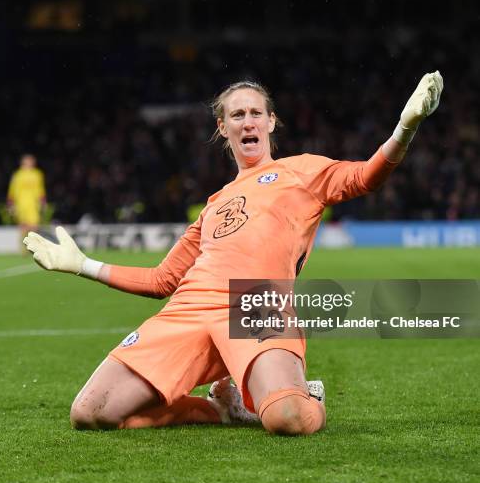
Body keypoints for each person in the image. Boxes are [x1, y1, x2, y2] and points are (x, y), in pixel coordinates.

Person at [24, 72, 443, 436]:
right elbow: (163, 281)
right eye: (237, 115)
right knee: (89, 413)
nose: (248, 121)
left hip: (256, 303)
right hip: (189, 308)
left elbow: (366, 177)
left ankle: (308, 394)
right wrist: (83, 265)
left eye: (256, 113)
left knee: (287, 418)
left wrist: (404, 128)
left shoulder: (303, 171)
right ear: (222, 127)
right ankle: (220, 408)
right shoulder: (213, 205)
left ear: (271, 121)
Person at [7, 154, 46, 252]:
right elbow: (12, 190)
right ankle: (24, 249)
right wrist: (11, 204)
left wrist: (43, 202)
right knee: (23, 227)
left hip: (33, 204)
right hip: (21, 204)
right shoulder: (17, 175)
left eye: (31, 161)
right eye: (28, 161)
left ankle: (33, 247)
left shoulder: (37, 174)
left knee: (34, 226)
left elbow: (41, 189)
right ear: (23, 162)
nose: (30, 163)